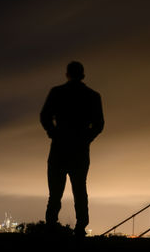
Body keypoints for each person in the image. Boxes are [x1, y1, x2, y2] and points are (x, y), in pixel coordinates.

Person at [40, 61, 104, 237]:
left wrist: (53, 133)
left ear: (67, 74)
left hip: (59, 148)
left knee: (54, 194)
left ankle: (51, 227)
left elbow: (44, 116)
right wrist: (86, 139)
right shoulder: (92, 96)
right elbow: (99, 124)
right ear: (83, 75)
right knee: (80, 191)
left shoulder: (57, 93)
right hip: (79, 150)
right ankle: (80, 228)